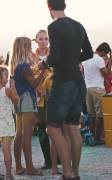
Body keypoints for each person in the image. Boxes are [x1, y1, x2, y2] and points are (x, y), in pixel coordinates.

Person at [39, 0, 93, 179]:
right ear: (65, 5)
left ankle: (68, 172)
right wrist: (73, 59)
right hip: (79, 82)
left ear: (49, 8)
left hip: (63, 81)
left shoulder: (53, 27)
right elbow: (89, 53)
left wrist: (44, 63)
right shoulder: (78, 25)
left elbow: (55, 56)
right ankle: (75, 172)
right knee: (73, 128)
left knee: (53, 128)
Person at [11, 37, 45, 176]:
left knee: (19, 134)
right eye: (29, 47)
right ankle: (30, 167)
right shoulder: (24, 66)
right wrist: (43, 72)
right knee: (27, 135)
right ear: (24, 48)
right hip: (27, 99)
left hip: (19, 100)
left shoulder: (16, 65)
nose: (31, 49)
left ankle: (19, 167)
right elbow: (34, 84)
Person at [81, 42, 111, 145]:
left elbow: (82, 72)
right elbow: (106, 74)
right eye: (105, 54)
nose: (105, 56)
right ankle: (98, 138)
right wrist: (110, 61)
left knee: (91, 115)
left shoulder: (87, 58)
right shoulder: (99, 59)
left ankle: (92, 137)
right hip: (98, 88)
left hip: (88, 88)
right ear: (103, 51)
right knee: (100, 115)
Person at [32, 30, 53, 170]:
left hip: (54, 94)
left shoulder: (54, 53)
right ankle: (47, 160)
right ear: (36, 40)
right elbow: (30, 74)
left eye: (46, 38)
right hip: (38, 97)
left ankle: (57, 158)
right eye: (41, 39)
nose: (44, 41)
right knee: (41, 128)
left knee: (56, 128)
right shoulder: (32, 56)